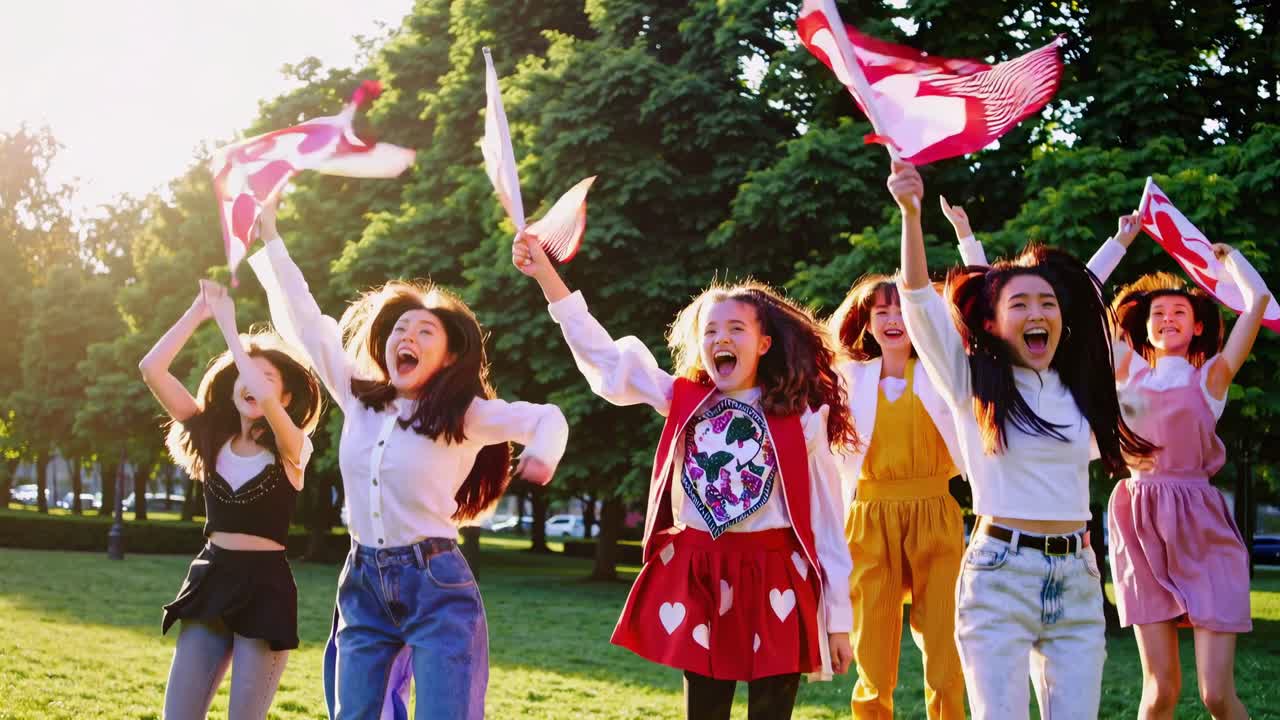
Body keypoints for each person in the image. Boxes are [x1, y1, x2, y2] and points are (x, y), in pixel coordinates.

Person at [513, 229, 855, 720]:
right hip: (702, 573)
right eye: (711, 331)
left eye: (736, 329)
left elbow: (827, 525)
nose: (721, 338)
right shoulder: (683, 401)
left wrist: (838, 622)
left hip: (778, 576)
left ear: (763, 343)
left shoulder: (802, 420)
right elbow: (605, 357)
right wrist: (546, 275)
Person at [248, 205, 569, 720]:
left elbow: (548, 417)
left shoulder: (465, 415)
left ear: (447, 356)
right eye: (401, 330)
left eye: (424, 334)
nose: (408, 339)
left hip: (435, 582)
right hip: (363, 580)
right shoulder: (357, 395)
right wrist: (271, 244)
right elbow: (307, 322)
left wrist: (541, 456)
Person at [892, 161, 1155, 719]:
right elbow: (917, 301)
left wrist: (1118, 242)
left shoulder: (1079, 386)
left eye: (1047, 305)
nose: (1038, 314)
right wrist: (911, 217)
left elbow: (1085, 290)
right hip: (998, 575)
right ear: (990, 323)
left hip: (1079, 577)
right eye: (1020, 305)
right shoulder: (973, 385)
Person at [1088, 214, 1271, 719]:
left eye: (1180, 312)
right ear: (1144, 327)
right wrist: (1122, 239)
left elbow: (1256, 304)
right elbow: (1082, 301)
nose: (1168, 317)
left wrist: (1231, 261)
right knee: (1160, 691)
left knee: (1216, 695)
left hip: (1202, 525)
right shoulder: (1126, 369)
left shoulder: (1212, 377)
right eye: (1159, 312)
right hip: (1138, 522)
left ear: (1196, 328)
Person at [827, 196, 986, 719]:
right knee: (873, 648)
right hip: (869, 518)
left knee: (944, 645)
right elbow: (818, 347)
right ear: (866, 321)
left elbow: (983, 313)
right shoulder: (849, 378)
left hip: (936, 513)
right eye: (882, 310)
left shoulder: (944, 373)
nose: (894, 319)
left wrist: (966, 238)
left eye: (902, 309)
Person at [141, 280, 322, 720]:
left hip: (265, 589)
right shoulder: (211, 438)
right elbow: (152, 369)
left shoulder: (292, 448)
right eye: (243, 373)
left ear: (287, 397)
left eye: (266, 378)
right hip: (211, 578)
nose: (252, 384)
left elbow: (261, 396)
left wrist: (231, 329)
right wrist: (198, 311)